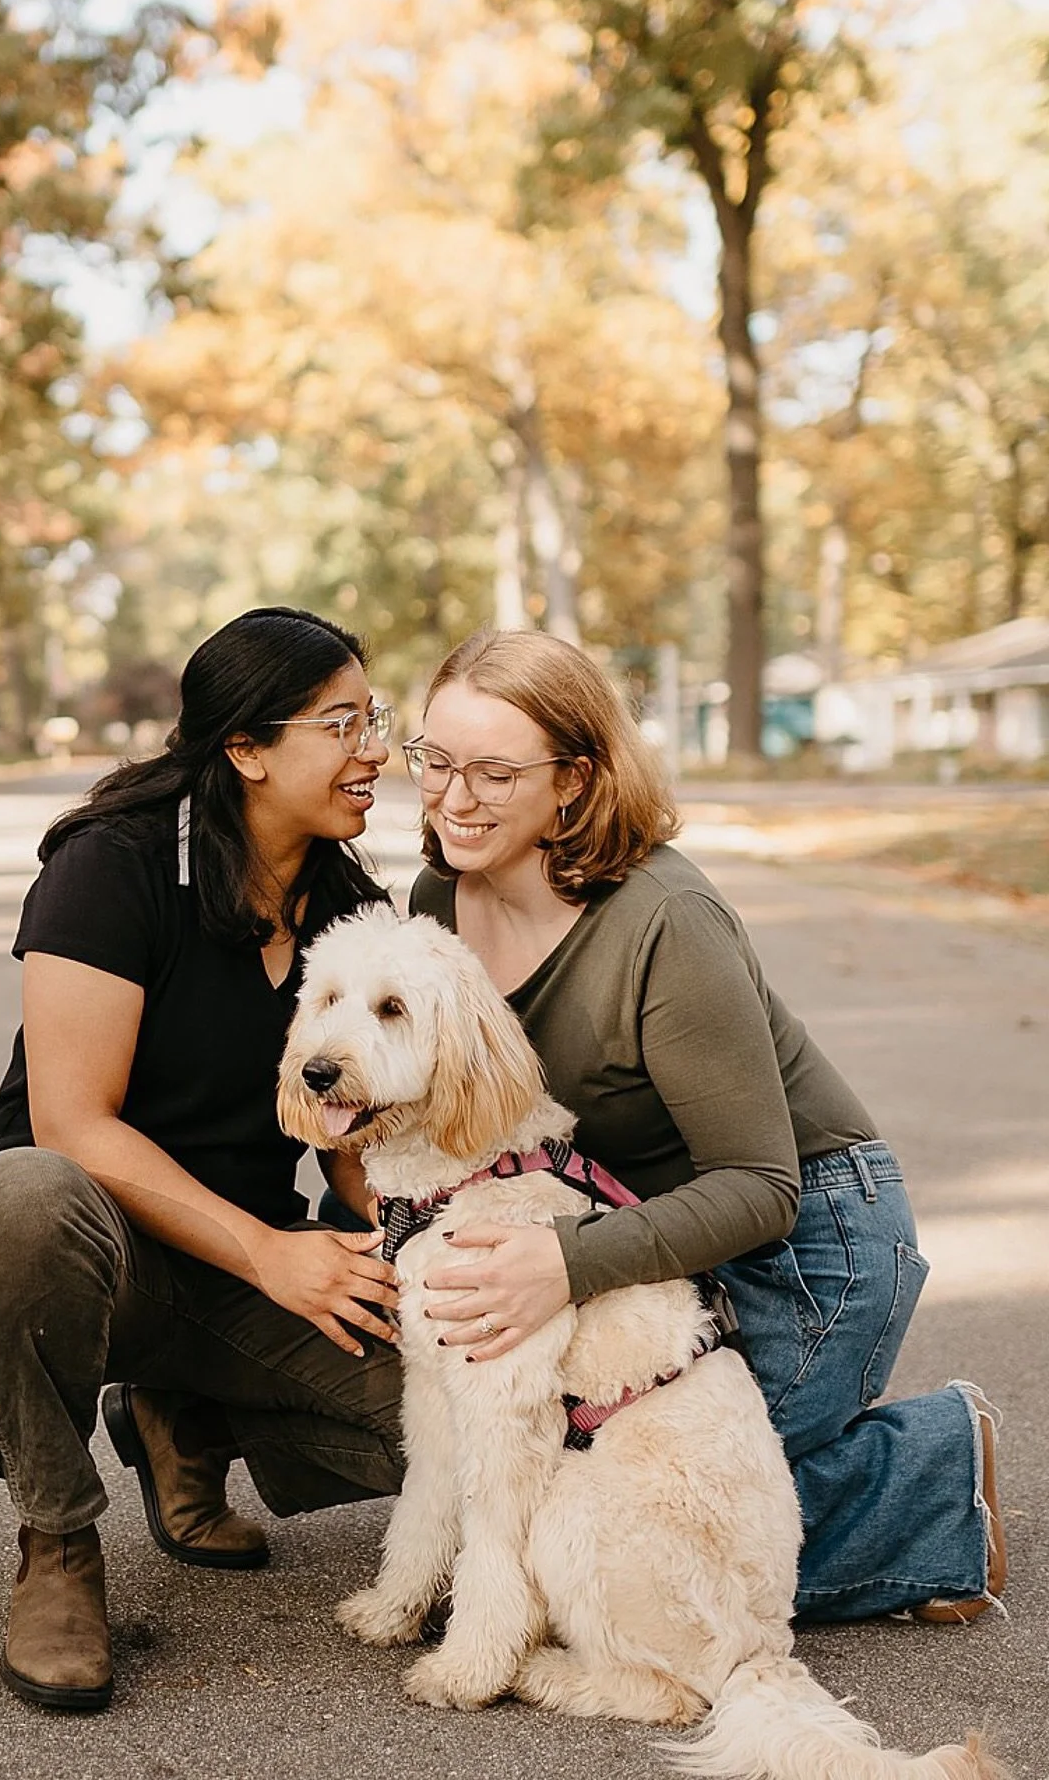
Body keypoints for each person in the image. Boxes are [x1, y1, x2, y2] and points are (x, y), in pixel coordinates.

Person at [402, 627, 1005, 1627]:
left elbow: (760, 1189)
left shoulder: (665, 921)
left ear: (574, 780)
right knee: (533, 1500)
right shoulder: (438, 900)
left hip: (812, 1242)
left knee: (596, 1541)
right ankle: (913, 1475)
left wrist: (564, 1262)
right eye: (436, 760)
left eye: (494, 771)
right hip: (646, 1242)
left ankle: (927, 1476)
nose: (454, 797)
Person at [0, 607, 405, 1712]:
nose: (373, 749)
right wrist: (276, 1256)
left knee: (447, 1427)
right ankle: (56, 1544)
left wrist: (394, 1234)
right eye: (341, 725)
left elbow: (353, 1139)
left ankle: (183, 1416)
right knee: (23, 1197)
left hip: (233, 1274)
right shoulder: (115, 868)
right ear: (246, 748)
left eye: (374, 720)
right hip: (88, 1251)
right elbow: (74, 1124)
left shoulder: (350, 908)